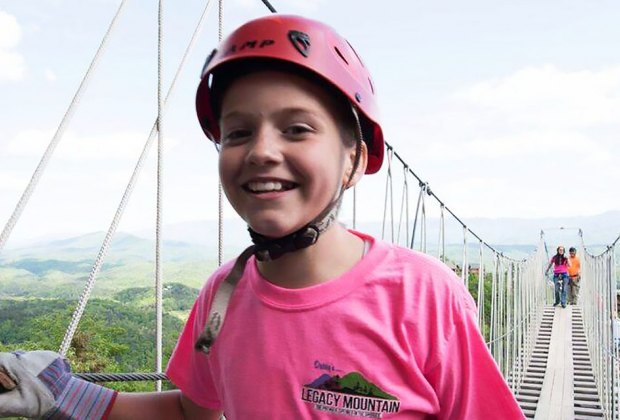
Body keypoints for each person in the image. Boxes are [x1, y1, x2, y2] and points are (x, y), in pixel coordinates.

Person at [0, 14, 525, 419]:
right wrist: (66, 396)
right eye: (238, 132)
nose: (261, 151)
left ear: (355, 159)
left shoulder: (424, 295)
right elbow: (190, 410)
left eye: (297, 129)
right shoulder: (222, 296)